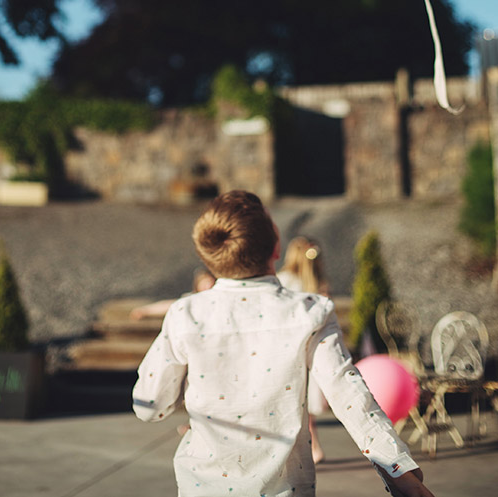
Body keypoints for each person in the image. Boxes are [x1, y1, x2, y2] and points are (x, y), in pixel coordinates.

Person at [133, 190, 436, 497]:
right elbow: (348, 394)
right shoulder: (310, 312)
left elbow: (150, 407)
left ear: (208, 256)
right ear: (276, 244)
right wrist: (398, 471)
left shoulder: (186, 314)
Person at [278, 237, 329, 464]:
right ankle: (313, 446)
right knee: (303, 403)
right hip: (309, 347)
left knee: (296, 403)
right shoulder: (314, 282)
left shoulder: (284, 280)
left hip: (289, 349)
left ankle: (311, 447)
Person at [129, 269, 215, 320]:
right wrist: (146, 311)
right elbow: (168, 305)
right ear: (197, 285)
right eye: (205, 283)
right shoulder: (191, 300)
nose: (208, 286)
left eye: (210, 282)